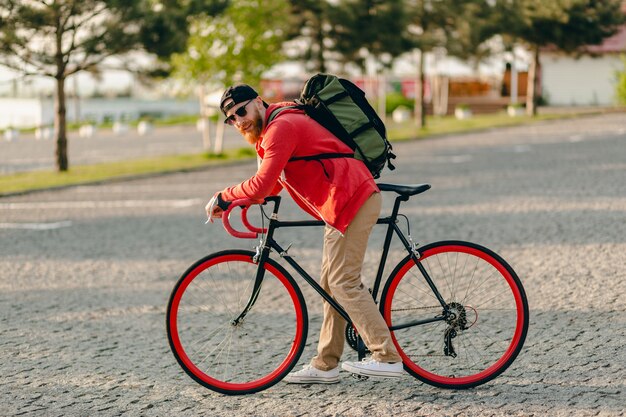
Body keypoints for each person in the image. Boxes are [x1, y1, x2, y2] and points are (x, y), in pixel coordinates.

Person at [205, 84, 404, 384]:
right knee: (330, 284)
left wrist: (225, 196)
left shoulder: (280, 127)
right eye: (231, 119)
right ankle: (326, 364)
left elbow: (261, 185)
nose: (239, 121)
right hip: (340, 204)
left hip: (352, 199)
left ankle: (387, 357)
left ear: (258, 102)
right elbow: (271, 186)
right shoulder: (275, 125)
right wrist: (241, 200)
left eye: (241, 111)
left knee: (342, 282)